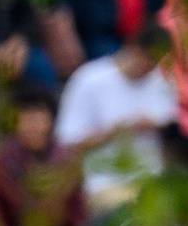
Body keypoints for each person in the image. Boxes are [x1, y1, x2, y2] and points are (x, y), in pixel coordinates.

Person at [57, 26, 178, 208]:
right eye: (150, 60)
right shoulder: (89, 80)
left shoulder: (162, 82)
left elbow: (171, 127)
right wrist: (116, 132)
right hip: (105, 183)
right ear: (135, 50)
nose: (151, 68)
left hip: (152, 181)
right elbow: (67, 143)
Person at [0, 82, 85, 226]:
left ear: (51, 121)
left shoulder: (68, 163)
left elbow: (78, 221)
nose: (33, 125)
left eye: (39, 117)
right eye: (26, 117)